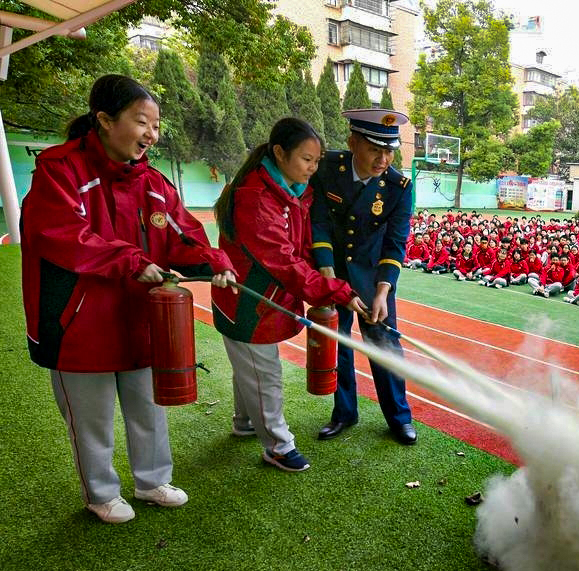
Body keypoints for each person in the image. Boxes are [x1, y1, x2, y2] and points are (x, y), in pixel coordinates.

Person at [20, 74, 236, 523]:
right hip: (78, 325)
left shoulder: (154, 183)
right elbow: (62, 235)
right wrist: (131, 259)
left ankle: (153, 480)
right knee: (91, 419)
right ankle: (100, 494)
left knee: (148, 405)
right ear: (103, 120)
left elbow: (182, 236)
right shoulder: (59, 169)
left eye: (155, 126)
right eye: (142, 123)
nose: (151, 135)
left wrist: (214, 261)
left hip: (139, 319)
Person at [211, 118, 367, 472]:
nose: (313, 169)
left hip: (263, 298)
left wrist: (327, 277)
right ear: (279, 153)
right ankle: (278, 446)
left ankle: (244, 422)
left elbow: (302, 249)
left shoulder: (292, 191)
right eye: (306, 160)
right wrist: (337, 289)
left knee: (248, 367)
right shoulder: (256, 198)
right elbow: (284, 263)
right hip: (248, 302)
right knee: (263, 373)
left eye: (316, 161)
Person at [309, 108, 417, 445]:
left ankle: (399, 418)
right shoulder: (328, 169)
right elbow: (320, 222)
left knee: (385, 345)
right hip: (333, 271)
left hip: (374, 279)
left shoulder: (399, 187)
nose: (383, 159)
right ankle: (344, 413)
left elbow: (395, 243)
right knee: (338, 343)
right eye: (375, 149)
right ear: (353, 142)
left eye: (389, 151)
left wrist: (383, 291)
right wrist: (328, 276)